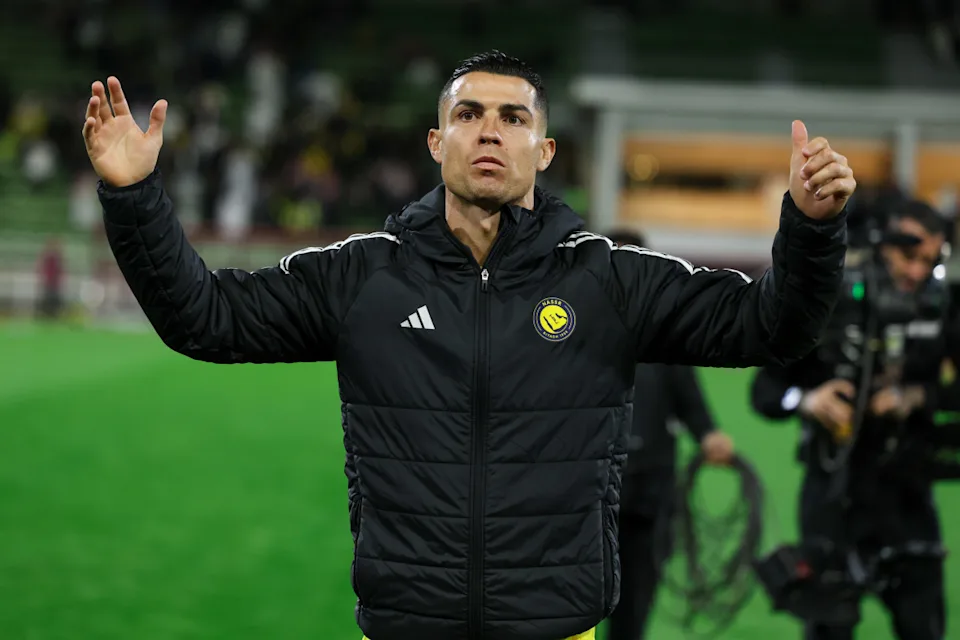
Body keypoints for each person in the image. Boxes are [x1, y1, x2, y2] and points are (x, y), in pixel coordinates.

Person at [82, 51, 854, 640]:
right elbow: (205, 319)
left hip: (558, 625)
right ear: (436, 141)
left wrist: (813, 231)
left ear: (544, 152)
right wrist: (132, 196)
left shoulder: (610, 279)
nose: (490, 130)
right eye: (470, 114)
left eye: (514, 118)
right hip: (406, 623)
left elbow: (770, 327)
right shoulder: (362, 276)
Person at [750, 199, 950, 640]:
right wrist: (807, 399)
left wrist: (916, 395)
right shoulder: (830, 304)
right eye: (908, 255)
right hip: (833, 495)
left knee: (923, 624)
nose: (916, 272)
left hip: (907, 497)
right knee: (829, 624)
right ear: (881, 246)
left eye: (929, 260)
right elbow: (765, 393)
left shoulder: (940, 311)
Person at [602, 229, 734, 640]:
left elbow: (686, 393)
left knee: (638, 594)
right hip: (588, 488)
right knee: (578, 595)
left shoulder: (661, 329)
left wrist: (708, 433)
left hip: (650, 485)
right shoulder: (571, 329)